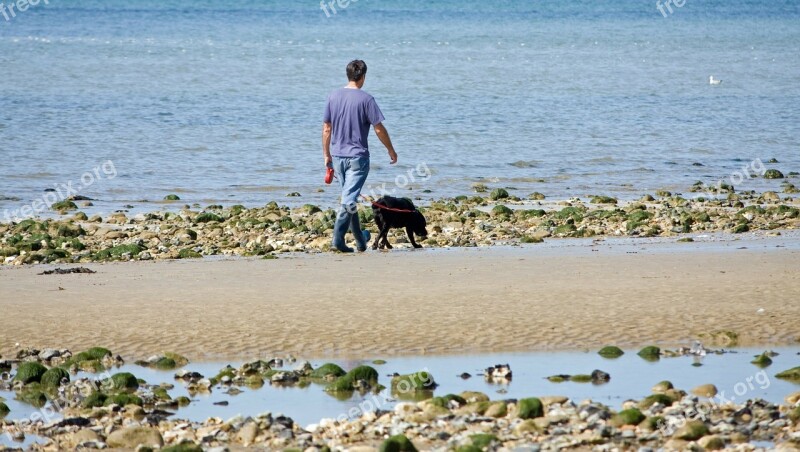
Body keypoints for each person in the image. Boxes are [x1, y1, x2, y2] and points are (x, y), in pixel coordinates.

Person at [322, 60, 398, 252]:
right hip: (358, 158)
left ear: (348, 75)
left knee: (350, 198)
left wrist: (326, 154)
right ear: (363, 77)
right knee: (348, 200)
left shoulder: (333, 96)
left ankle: (360, 241)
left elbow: (326, 129)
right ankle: (337, 241)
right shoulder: (366, 99)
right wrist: (391, 149)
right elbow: (379, 129)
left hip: (338, 157)